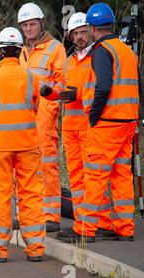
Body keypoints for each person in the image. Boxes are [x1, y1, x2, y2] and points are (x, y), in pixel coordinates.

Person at [57, 3, 139, 243]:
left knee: (94, 175)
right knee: (121, 173)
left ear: (92, 27)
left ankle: (85, 228)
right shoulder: (125, 51)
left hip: (108, 121)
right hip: (128, 120)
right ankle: (124, 227)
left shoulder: (102, 51)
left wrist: (93, 115)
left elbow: (103, 86)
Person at [0, 27, 46, 263]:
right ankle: (35, 248)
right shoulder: (31, 77)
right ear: (19, 51)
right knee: (31, 194)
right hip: (28, 145)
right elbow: (35, 107)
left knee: (0, 195)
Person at [41, 12, 111, 236]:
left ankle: (102, 222)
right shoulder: (71, 61)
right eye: (75, 33)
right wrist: (51, 94)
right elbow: (64, 88)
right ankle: (82, 222)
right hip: (70, 127)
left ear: (90, 31)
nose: (80, 37)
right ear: (70, 36)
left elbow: (99, 90)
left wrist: (77, 94)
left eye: (83, 32)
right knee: (77, 178)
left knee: (95, 176)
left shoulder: (97, 58)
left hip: (90, 126)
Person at [18, 3, 67, 232]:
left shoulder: (55, 48)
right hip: (23, 119)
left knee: (47, 166)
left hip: (45, 118)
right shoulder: (21, 51)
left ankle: (50, 216)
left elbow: (62, 83)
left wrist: (49, 102)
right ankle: (28, 215)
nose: (29, 28)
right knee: (25, 169)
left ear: (41, 23)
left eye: (32, 24)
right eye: (25, 25)